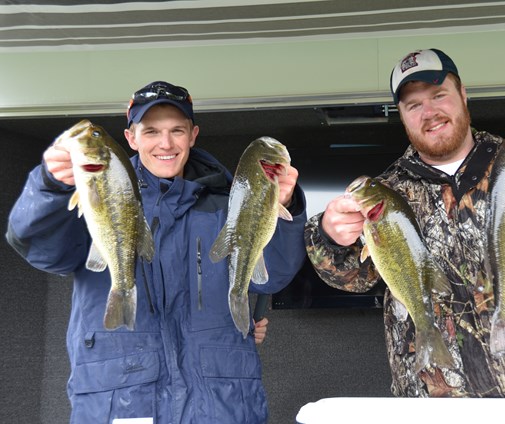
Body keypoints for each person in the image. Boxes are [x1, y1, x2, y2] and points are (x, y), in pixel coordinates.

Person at [304, 49, 505, 423]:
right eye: (414, 105)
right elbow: (351, 277)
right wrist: (331, 236)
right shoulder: (386, 193)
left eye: (439, 95)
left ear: (463, 94)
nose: (429, 112)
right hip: (435, 404)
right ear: (401, 115)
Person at [6, 81, 307, 423]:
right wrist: (50, 187)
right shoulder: (96, 193)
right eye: (151, 131)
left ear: (192, 135)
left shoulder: (229, 203)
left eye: (176, 130)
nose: (165, 143)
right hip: (120, 400)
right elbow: (44, 251)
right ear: (131, 138)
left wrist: (282, 206)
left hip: (221, 403)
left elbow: (272, 278)